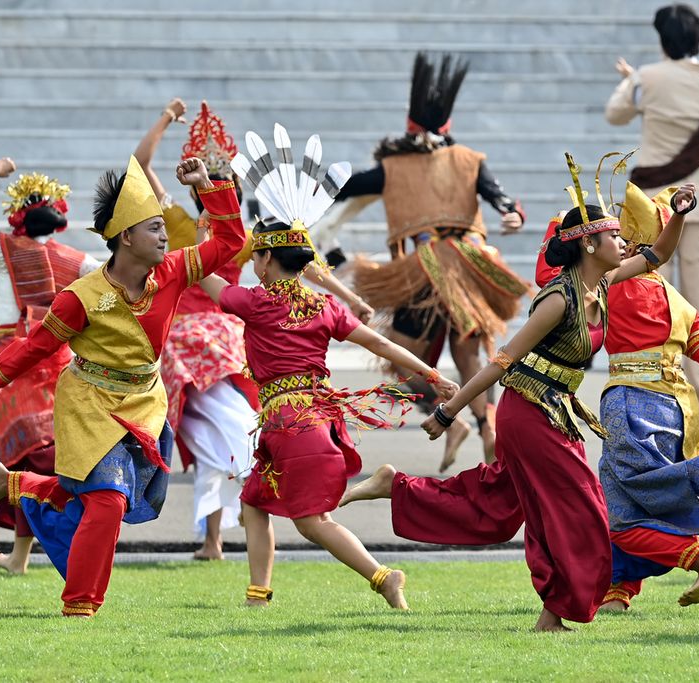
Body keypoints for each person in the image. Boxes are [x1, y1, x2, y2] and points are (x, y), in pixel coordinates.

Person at [340, 154, 698, 631]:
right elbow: (502, 360)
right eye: (613, 236)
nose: (622, 241)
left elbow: (658, 254)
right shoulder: (557, 300)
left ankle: (397, 486)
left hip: (556, 410)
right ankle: (552, 614)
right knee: (584, 509)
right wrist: (448, 412)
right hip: (529, 413)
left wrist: (679, 212)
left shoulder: (604, 282)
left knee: (498, 507)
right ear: (589, 246)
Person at [0, 155, 245, 617]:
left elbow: (232, 240)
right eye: (155, 227)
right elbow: (35, 345)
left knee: (104, 499)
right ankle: (80, 606)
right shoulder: (82, 297)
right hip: (89, 403)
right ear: (125, 237)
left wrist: (210, 184)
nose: (164, 236)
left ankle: (17, 485)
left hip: (144, 402)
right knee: (108, 499)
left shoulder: (173, 271)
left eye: (163, 228)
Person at [200, 126, 458, 609]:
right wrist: (432, 372)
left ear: (267, 260)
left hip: (291, 425)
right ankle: (258, 596)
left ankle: (384, 577)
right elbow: (380, 342)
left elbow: (203, 273)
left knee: (311, 522)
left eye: (257, 254)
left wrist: (202, 230)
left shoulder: (255, 302)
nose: (252, 261)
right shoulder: (323, 307)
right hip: (308, 421)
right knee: (254, 503)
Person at [136, 99, 375, 559]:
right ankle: (225, 529)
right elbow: (306, 266)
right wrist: (353, 300)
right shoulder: (239, 235)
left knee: (219, 435)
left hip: (193, 345)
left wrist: (166, 118)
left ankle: (243, 508)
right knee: (218, 437)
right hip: (232, 340)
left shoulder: (176, 225)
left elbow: (142, 163)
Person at [536, 176, 699, 610]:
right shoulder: (678, 303)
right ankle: (620, 589)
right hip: (677, 410)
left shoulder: (607, 283)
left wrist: (560, 227)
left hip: (628, 404)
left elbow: (548, 276)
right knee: (638, 497)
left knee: (612, 507)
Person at [334, 52, 532, 470]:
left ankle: (449, 415)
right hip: (469, 272)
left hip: (421, 275)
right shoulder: (469, 159)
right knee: (470, 358)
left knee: (402, 364)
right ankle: (487, 424)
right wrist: (512, 212)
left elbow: (345, 187)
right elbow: (501, 197)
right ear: (448, 125)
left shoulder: (391, 166)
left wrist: (310, 189)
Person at [605, 3, 699, 423]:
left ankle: (658, 384)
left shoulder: (646, 78)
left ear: (662, 39)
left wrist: (630, 80)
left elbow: (616, 113)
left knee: (650, 296)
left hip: (651, 203)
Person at [0, 157, 101, 575]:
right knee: (40, 458)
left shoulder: (1, 249)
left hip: (13, 365)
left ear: (18, 217)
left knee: (28, 459)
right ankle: (23, 556)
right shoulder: (79, 263)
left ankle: (62, 543)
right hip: (59, 366)